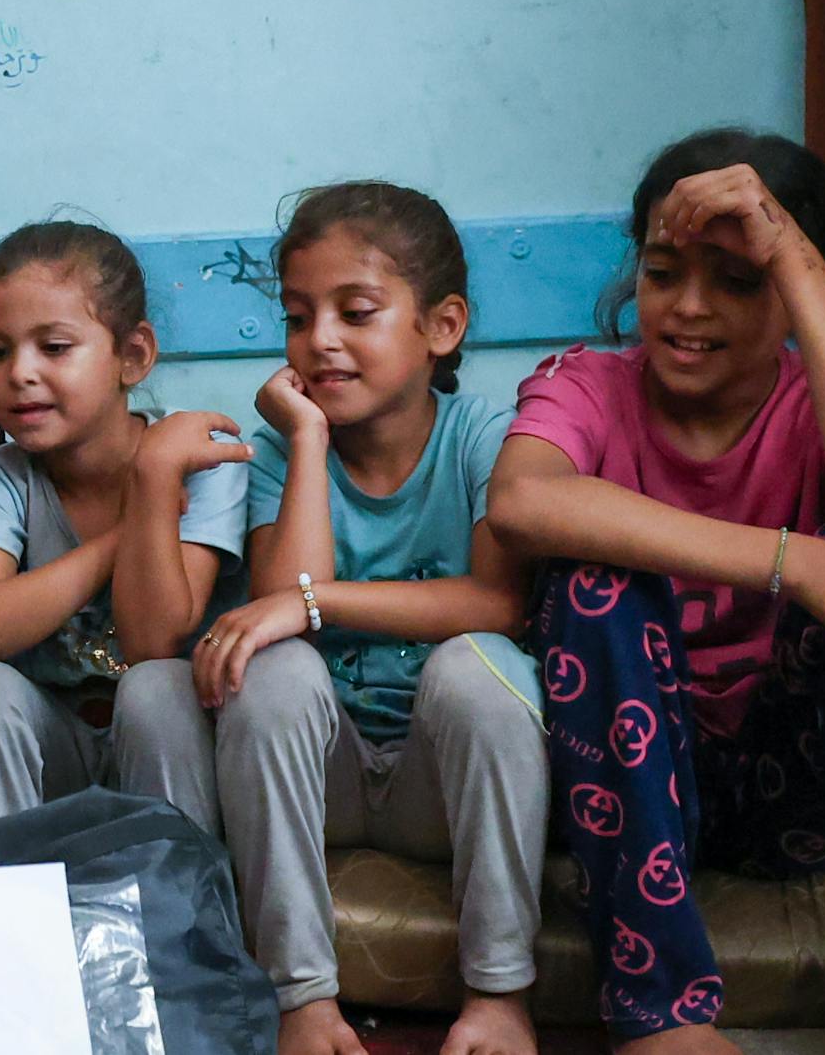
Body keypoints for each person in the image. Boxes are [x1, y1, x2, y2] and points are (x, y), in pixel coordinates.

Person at [484, 129, 825, 1055]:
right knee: (593, 583)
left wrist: (790, 251)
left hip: (796, 795)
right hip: (620, 790)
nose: (687, 309)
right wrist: (798, 563)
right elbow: (521, 501)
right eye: (664, 274)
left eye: (739, 281)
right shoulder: (585, 385)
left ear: (796, 293)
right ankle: (660, 1014)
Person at [164, 182, 549, 1055]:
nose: (321, 340)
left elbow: (498, 602)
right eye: (300, 317)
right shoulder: (275, 450)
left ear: (441, 328)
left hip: (435, 783)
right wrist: (305, 439)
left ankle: (500, 997)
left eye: (357, 311)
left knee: (478, 664)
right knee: (273, 668)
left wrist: (315, 604)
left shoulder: (486, 437)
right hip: (322, 777)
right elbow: (282, 593)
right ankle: (302, 998)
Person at [0, 221, 248, 829]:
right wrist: (125, 534)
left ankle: (176, 906)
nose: (19, 372)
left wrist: (154, 470)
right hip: (53, 747)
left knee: (158, 690)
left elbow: (155, 640)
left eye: (54, 347)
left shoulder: (199, 458)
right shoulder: (4, 474)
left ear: (133, 357)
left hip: (172, 747)